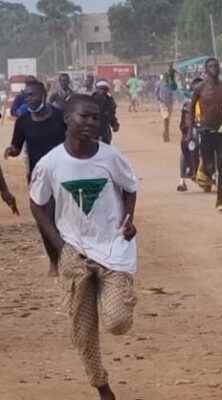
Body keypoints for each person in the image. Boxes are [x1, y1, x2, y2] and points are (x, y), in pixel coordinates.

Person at [29, 94, 139, 400]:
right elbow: (37, 204)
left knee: (117, 322)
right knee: (83, 329)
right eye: (84, 116)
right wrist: (59, 244)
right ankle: (102, 387)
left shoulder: (111, 157)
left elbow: (130, 188)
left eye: (96, 118)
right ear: (67, 119)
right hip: (74, 253)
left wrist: (129, 219)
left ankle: (120, 297)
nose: (91, 122)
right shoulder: (50, 164)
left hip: (113, 249)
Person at [6, 80, 67, 276]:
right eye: (26, 96)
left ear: (44, 94)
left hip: (65, 175)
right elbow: (17, 145)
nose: (29, 99)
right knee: (45, 221)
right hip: (38, 178)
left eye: (32, 95)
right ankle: (54, 261)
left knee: (66, 218)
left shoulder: (60, 116)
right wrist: (12, 150)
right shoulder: (23, 121)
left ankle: (72, 257)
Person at [190, 58, 222, 213]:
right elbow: (192, 108)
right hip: (206, 130)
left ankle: (219, 201)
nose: (214, 68)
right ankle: (207, 172)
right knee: (207, 164)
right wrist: (189, 129)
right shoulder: (200, 88)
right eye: (211, 66)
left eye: (216, 66)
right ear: (206, 69)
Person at [177, 77, 205, 192]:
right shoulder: (187, 104)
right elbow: (183, 122)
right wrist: (188, 129)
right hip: (193, 130)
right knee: (186, 146)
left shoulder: (208, 102)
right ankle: (183, 178)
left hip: (206, 129)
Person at [158, 64, 178, 143]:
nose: (167, 77)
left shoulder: (172, 84)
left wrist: (172, 76)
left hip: (170, 103)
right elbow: (156, 92)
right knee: (166, 117)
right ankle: (166, 133)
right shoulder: (160, 83)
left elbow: (175, 88)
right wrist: (158, 100)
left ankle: (166, 131)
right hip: (162, 103)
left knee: (167, 118)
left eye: (168, 76)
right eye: (166, 76)